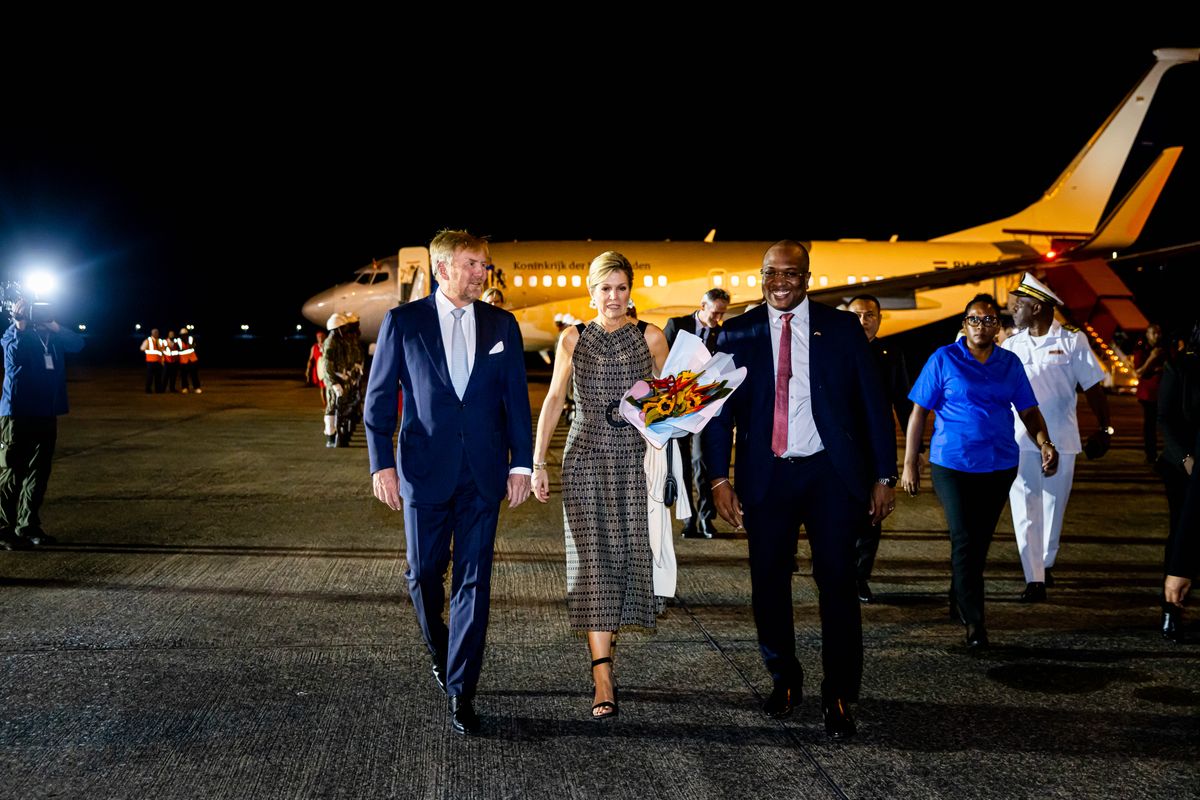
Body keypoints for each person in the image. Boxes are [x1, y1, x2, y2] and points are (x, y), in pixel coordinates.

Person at [702, 240, 897, 740]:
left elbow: (873, 405)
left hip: (831, 474)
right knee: (768, 581)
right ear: (761, 276)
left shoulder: (841, 329)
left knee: (837, 582)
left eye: (791, 273)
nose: (780, 281)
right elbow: (717, 414)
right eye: (771, 273)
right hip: (767, 475)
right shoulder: (737, 333)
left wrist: (884, 475)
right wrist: (719, 479)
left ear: (807, 276)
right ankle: (784, 678)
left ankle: (839, 691)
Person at [363, 229, 532, 737]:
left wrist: (520, 464)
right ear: (442, 269)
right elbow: (376, 404)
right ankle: (442, 647)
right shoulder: (404, 322)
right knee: (422, 574)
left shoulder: (502, 324)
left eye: (485, 264)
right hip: (421, 472)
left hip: (483, 474)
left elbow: (516, 404)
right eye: (473, 264)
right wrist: (381, 466)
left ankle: (462, 688)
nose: (484, 273)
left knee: (473, 582)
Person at [532, 251, 669, 719]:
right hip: (585, 457)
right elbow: (553, 400)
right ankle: (603, 676)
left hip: (633, 460)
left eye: (621, 288)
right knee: (593, 563)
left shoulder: (650, 337)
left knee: (627, 556)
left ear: (631, 291)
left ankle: (607, 656)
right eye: (605, 289)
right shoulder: (573, 339)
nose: (614, 298)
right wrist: (537, 462)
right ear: (591, 291)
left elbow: (669, 406)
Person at [902, 293, 1058, 651]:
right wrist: (911, 462)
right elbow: (918, 413)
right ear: (964, 325)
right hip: (952, 464)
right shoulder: (944, 358)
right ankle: (975, 622)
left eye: (989, 319)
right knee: (965, 537)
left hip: (999, 464)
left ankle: (958, 592)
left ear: (998, 327)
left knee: (977, 541)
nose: (982, 325)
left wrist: (1044, 441)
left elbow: (1029, 410)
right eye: (975, 319)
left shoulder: (1010, 363)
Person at [1002, 273, 1109, 602]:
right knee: (1024, 507)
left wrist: (1105, 428)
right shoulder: (1010, 345)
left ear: (1036, 308)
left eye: (1019, 305)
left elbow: (1092, 386)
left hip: (1062, 440)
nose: (1013, 310)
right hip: (1020, 440)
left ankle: (1045, 562)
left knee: (1053, 506)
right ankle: (1033, 577)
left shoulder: (1072, 341)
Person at [0, 299, 85, 550]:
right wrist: (20, 322)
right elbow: (12, 356)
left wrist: (51, 323)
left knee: (39, 471)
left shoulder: (54, 336)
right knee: (11, 470)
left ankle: (27, 525)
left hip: (46, 411)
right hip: (18, 412)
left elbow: (78, 344)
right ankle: (3, 528)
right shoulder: (15, 332)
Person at [846, 294, 913, 603]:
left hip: (874, 446)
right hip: (839, 446)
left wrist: (916, 449)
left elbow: (902, 400)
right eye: (857, 315)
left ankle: (860, 576)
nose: (863, 320)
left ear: (879, 318)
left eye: (869, 315)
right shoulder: (833, 351)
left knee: (872, 513)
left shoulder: (889, 354)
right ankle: (839, 572)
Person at [662, 287, 730, 539]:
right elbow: (662, 363)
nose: (717, 319)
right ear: (703, 306)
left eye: (722, 314)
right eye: (714, 313)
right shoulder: (677, 325)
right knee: (681, 466)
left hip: (704, 408)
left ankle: (705, 518)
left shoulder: (722, 332)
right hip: (678, 406)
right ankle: (688, 518)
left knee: (702, 462)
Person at [1156, 323, 1200, 641]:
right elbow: (1164, 418)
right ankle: (1171, 610)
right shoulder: (1180, 365)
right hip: (1180, 465)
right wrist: (1185, 458)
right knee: (1182, 530)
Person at [319, 312, 365, 448]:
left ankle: (337, 434)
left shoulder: (341, 341)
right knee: (332, 407)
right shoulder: (331, 343)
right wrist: (334, 383)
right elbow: (327, 366)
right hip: (335, 380)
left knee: (342, 407)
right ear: (336, 328)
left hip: (343, 377)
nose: (346, 329)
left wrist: (353, 369)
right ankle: (330, 435)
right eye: (343, 327)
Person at [1135, 323, 1166, 464]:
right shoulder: (1143, 350)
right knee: (1150, 425)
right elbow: (1139, 372)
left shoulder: (1165, 349)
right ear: (1148, 335)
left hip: (1164, 393)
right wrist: (1152, 358)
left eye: (1159, 332)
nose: (1157, 336)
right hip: (1149, 395)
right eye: (1154, 333)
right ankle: (1151, 454)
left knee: (1165, 425)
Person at [176, 327, 201, 394]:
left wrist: (192, 346)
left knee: (194, 375)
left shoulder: (191, 338)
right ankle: (185, 388)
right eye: (183, 334)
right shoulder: (178, 340)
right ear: (180, 335)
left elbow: (195, 346)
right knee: (184, 375)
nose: (184, 335)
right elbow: (178, 350)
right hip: (183, 361)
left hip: (192, 359)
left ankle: (197, 388)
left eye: (185, 334)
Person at [140, 328, 165, 393]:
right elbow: (142, 348)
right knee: (149, 377)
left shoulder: (160, 341)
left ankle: (158, 390)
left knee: (158, 377)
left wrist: (162, 360)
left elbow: (163, 350)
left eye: (157, 332)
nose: (156, 333)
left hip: (158, 362)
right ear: (152, 333)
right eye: (155, 332)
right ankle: (148, 390)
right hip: (150, 362)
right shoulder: (148, 340)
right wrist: (147, 350)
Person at [305, 330, 326, 405]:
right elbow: (310, 359)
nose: (320, 338)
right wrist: (308, 369)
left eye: (322, 336)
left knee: (329, 388)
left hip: (327, 369)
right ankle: (325, 404)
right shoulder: (314, 347)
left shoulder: (328, 346)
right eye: (319, 337)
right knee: (322, 387)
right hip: (319, 370)